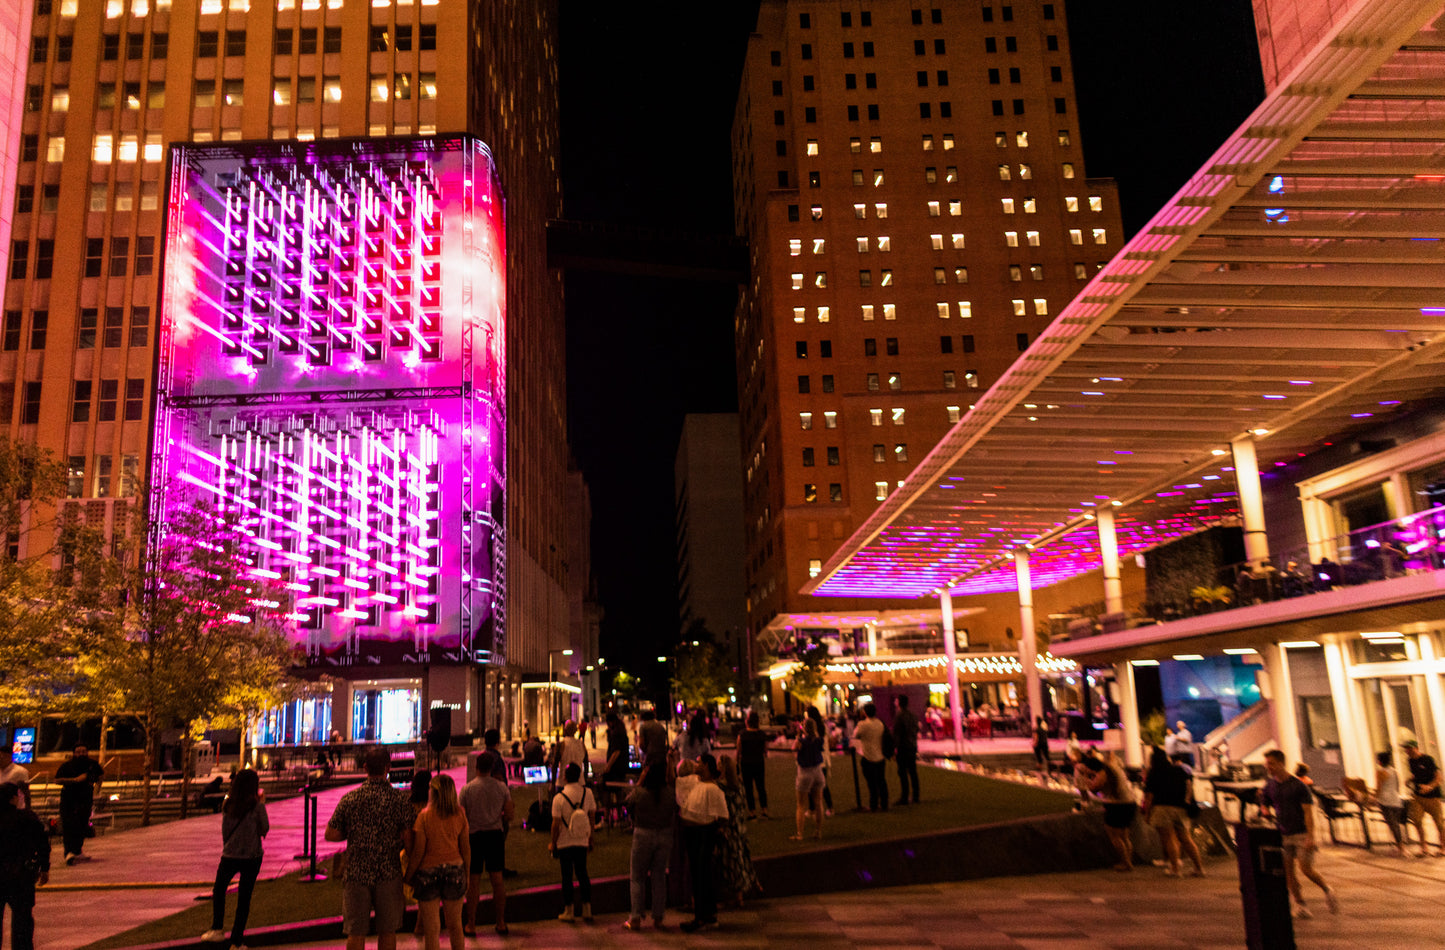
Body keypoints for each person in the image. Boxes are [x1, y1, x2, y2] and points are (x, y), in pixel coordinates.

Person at [325, 747, 417, 950]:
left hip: (357, 873)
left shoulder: (350, 799)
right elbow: (409, 840)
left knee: (356, 932)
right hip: (389, 873)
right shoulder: (400, 800)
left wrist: (352, 833)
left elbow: (330, 834)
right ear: (388, 768)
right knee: (388, 931)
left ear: (365, 767)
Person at [1260, 749, 1338, 918]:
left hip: (1301, 833)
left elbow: (1308, 813)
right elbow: (1264, 799)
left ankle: (1327, 889)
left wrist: (1311, 836)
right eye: (1267, 764)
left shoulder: (1298, 786)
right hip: (1283, 834)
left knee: (1306, 869)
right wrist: (1264, 808)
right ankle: (1300, 904)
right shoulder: (1270, 785)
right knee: (1288, 872)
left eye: (1271, 764)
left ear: (1281, 763)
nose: (1269, 767)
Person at [201, 769, 269, 947]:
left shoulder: (228, 805)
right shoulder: (257, 806)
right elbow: (265, 829)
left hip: (230, 855)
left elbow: (225, 833)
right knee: (244, 898)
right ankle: (236, 941)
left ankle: (217, 928)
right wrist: (262, 803)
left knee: (219, 889)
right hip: (252, 857)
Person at [404, 774, 470, 950]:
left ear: (433, 792)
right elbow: (465, 849)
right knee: (455, 925)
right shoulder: (459, 815)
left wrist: (409, 874)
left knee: (432, 929)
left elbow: (419, 852)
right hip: (454, 869)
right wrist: (467, 874)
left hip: (428, 872)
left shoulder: (424, 817)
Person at [459, 751, 513, 937]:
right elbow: (510, 814)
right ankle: (500, 922)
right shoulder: (501, 788)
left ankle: (471, 924)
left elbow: (461, 816)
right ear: (491, 768)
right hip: (495, 835)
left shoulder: (467, 789)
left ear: (476, 768)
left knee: (473, 881)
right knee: (497, 880)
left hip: (474, 835)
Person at [676, 753, 728, 932]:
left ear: (705, 765)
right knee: (698, 874)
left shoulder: (713, 789)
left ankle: (703, 916)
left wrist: (715, 830)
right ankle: (705, 915)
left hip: (703, 833)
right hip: (694, 833)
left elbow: (722, 816)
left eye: (698, 763)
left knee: (701, 875)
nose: (695, 765)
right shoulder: (697, 783)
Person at [625, 756, 677, 931]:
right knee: (659, 877)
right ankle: (658, 917)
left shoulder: (640, 793)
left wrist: (640, 781)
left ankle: (635, 917)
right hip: (664, 834)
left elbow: (628, 802)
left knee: (637, 877)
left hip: (643, 834)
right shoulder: (670, 793)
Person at [1140, 748, 1203, 878]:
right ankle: (1199, 868)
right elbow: (1189, 787)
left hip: (1162, 808)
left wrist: (1146, 813)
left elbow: (1149, 796)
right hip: (1181, 808)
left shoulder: (1154, 773)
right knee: (1186, 839)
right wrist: (1187, 802)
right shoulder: (1179, 770)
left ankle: (1175, 869)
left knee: (1169, 839)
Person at [0, 782, 48, 950]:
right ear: (14, 798)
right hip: (20, 875)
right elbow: (42, 843)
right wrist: (45, 867)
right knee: (22, 921)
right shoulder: (27, 818)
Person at [549, 762, 595, 923]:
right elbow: (591, 816)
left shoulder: (559, 798)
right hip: (582, 839)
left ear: (565, 777)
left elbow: (555, 824)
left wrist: (552, 843)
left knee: (567, 876)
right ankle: (587, 908)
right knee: (583, 873)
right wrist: (591, 837)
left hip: (564, 841)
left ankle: (568, 909)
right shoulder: (587, 793)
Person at [1078, 754, 1137, 871]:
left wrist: (1085, 777)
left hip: (1116, 806)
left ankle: (1125, 863)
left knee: (1115, 836)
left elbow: (1094, 789)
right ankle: (1129, 862)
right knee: (1125, 836)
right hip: (1130, 803)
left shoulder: (1103, 774)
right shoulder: (1113, 768)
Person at [715, 756, 760, 906]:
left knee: (730, 863)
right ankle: (747, 889)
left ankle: (736, 896)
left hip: (729, 829)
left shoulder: (722, 788)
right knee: (740, 858)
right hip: (740, 827)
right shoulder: (739, 785)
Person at [53, 744, 104, 865]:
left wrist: (97, 788)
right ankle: (69, 852)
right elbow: (57, 780)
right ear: (74, 753)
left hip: (85, 799)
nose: (81, 754)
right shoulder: (67, 766)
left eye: (83, 751)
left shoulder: (92, 765)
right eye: (78, 752)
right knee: (69, 825)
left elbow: (101, 775)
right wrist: (75, 780)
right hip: (68, 799)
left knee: (82, 824)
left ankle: (77, 850)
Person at [1402, 738, 1444, 857]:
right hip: (1418, 796)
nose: (1407, 751)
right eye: (1406, 749)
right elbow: (1416, 774)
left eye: (1409, 748)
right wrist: (1410, 779)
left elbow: (1438, 777)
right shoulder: (1410, 761)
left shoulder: (1428, 759)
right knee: (1417, 820)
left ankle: (1443, 847)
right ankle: (1424, 847)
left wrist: (1429, 787)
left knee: (1439, 823)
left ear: (1415, 748)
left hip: (1432, 797)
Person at [791, 717, 827, 841]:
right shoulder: (819, 740)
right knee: (818, 803)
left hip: (805, 772)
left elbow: (794, 750)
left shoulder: (801, 741)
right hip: (817, 771)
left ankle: (800, 834)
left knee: (801, 805)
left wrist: (798, 735)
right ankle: (818, 831)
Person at [1371, 750, 1407, 858]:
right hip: (1396, 799)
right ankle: (1399, 845)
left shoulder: (1380, 772)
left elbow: (1379, 788)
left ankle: (1400, 847)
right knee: (1396, 824)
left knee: (1392, 824)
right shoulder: (1394, 771)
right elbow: (1397, 786)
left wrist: (1373, 799)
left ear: (1380, 761)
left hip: (1385, 801)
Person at [854, 702, 889, 811]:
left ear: (865, 712)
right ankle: (884, 803)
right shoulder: (880, 723)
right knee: (881, 781)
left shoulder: (863, 725)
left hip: (869, 757)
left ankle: (873, 804)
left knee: (872, 783)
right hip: (880, 756)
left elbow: (856, 735)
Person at [736, 711, 769, 819]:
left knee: (748, 788)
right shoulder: (761, 734)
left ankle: (752, 811)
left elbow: (739, 751)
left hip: (746, 763)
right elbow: (765, 750)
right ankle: (764, 810)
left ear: (747, 721)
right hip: (759, 762)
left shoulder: (742, 734)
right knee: (761, 787)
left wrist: (737, 763)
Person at [804, 706, 835, 815]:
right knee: (823, 785)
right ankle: (830, 807)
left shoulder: (811, 729)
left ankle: (812, 808)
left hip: (813, 761)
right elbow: (830, 741)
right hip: (823, 760)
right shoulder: (823, 727)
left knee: (811, 785)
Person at [893, 696, 920, 804]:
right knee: (913, 772)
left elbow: (897, 734)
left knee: (903, 772)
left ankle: (905, 796)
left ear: (899, 703)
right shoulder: (913, 715)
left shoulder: (900, 716)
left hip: (903, 747)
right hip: (912, 746)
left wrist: (895, 748)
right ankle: (916, 796)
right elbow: (916, 729)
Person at [553, 721, 588, 788]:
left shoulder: (561, 744)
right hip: (580, 782)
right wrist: (585, 780)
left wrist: (552, 784)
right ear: (575, 731)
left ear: (565, 730)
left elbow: (555, 764)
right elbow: (586, 764)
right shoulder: (581, 745)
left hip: (563, 783)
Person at [602, 712, 629, 783]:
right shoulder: (621, 730)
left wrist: (608, 766)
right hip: (622, 765)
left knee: (609, 786)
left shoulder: (616, 733)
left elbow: (616, 751)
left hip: (616, 766)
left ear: (611, 722)